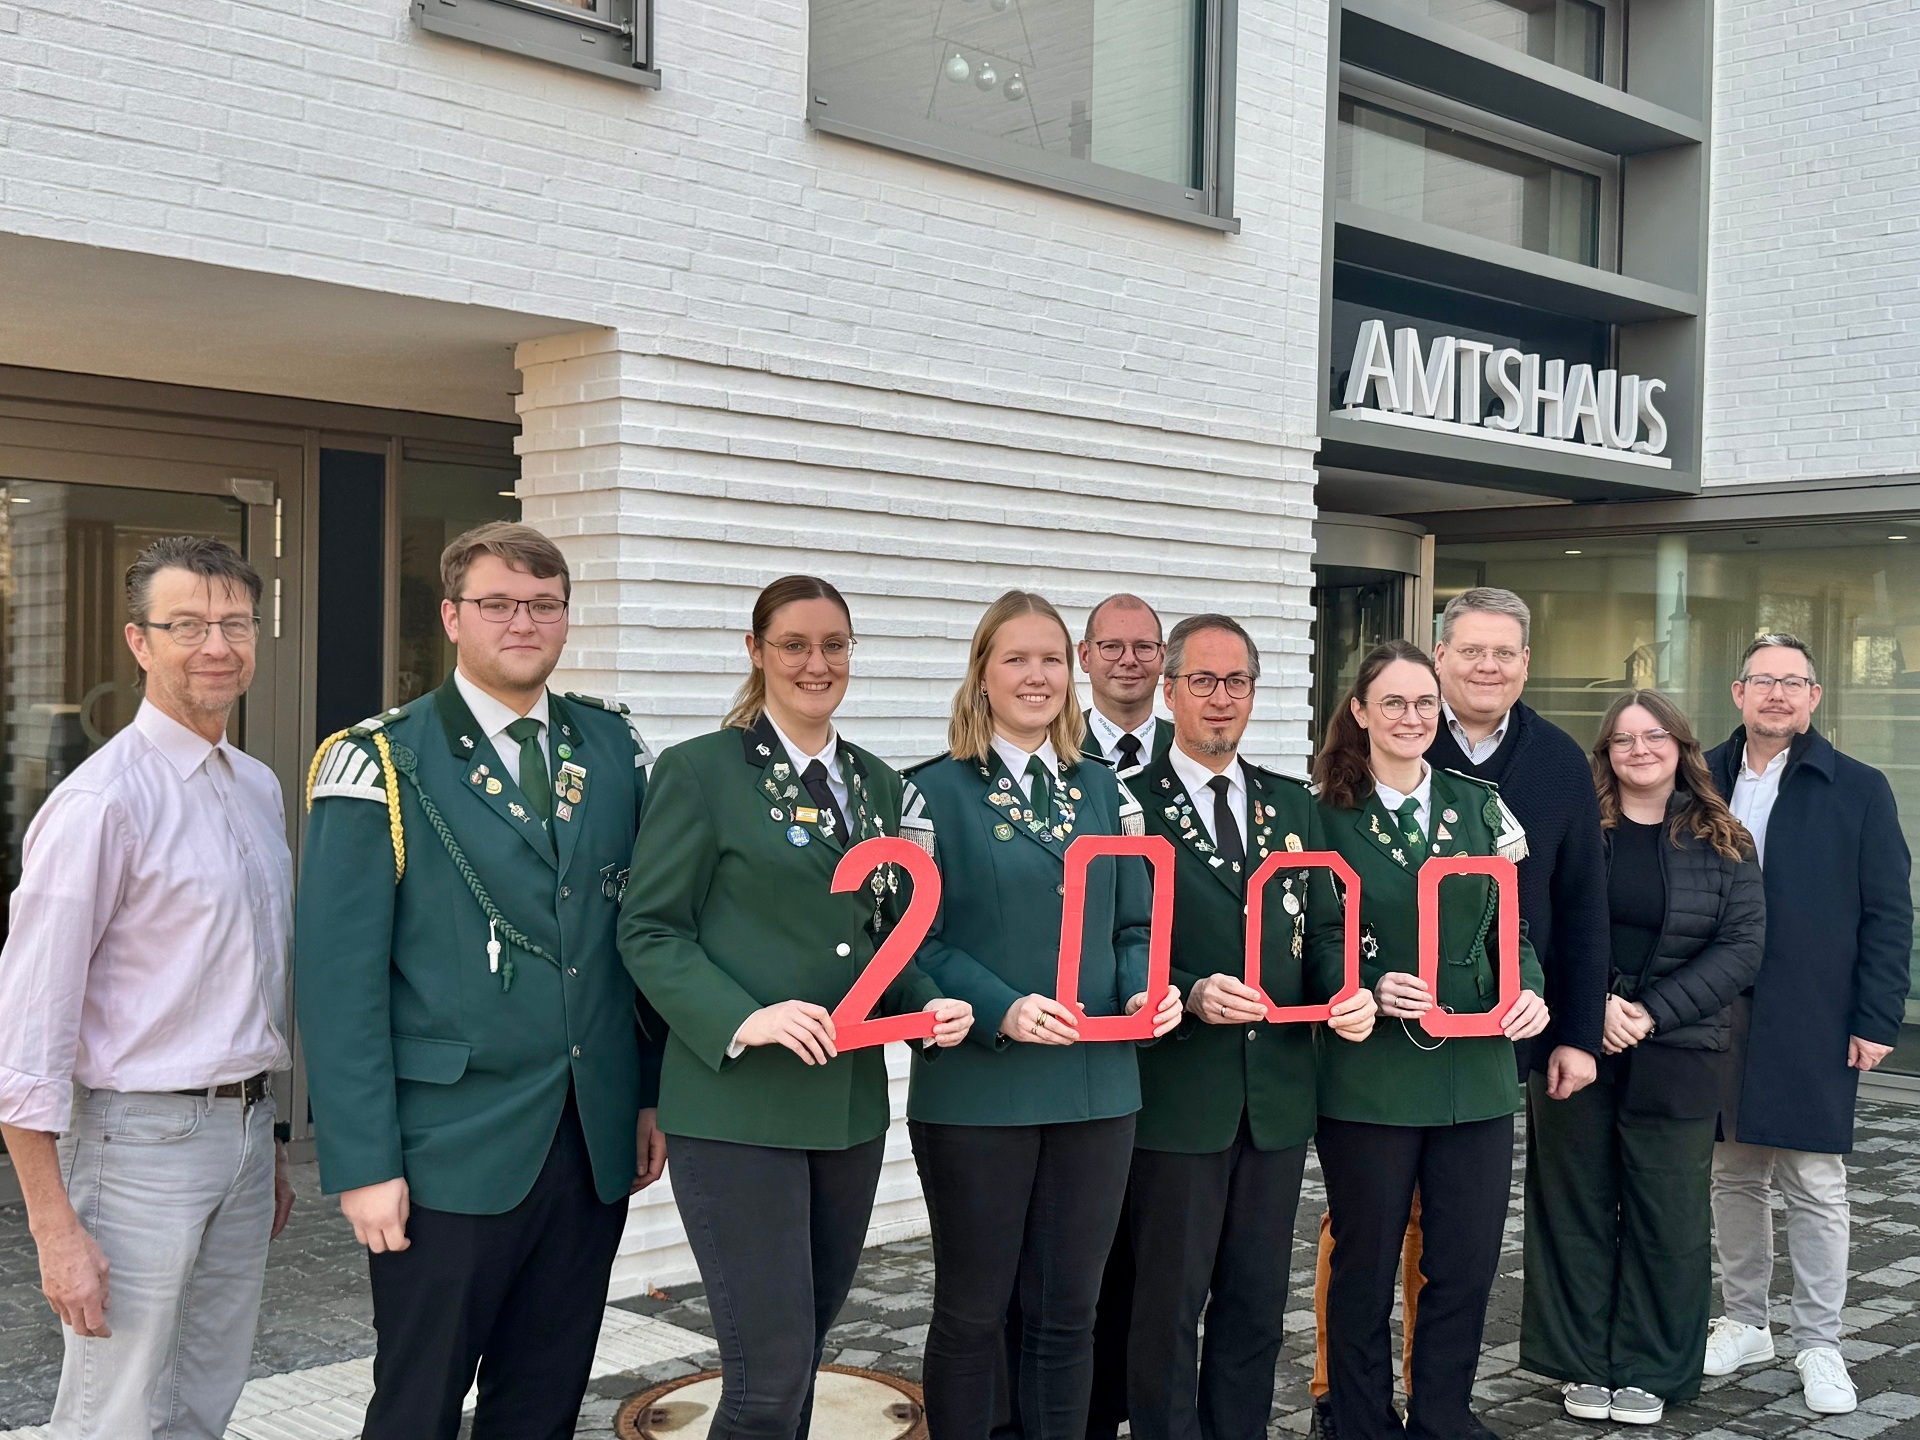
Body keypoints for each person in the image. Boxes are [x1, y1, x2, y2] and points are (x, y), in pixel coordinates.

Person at [295, 522, 667, 1440]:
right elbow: (337, 986)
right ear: (453, 618)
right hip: (445, 1154)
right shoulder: (380, 760)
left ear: (567, 619)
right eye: (498, 604)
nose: (523, 622)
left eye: (543, 605)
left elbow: (639, 940)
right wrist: (363, 1162)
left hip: (588, 1144)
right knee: (417, 1406)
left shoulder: (614, 750)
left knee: (542, 1401)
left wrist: (647, 1096)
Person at [619, 575, 974, 1439]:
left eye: (834, 646)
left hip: (847, 1110)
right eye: (795, 645)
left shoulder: (880, 786)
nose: (816, 664)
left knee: (800, 1356)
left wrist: (934, 1003)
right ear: (756, 652)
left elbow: (886, 939)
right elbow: (650, 930)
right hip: (739, 1108)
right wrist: (745, 1017)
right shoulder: (701, 771)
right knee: (766, 1374)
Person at [0, 536, 296, 1440]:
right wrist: (54, 1230)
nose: (217, 646)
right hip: (137, 1144)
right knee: (116, 1410)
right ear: (139, 643)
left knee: (205, 1394)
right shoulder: (102, 805)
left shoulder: (256, 787)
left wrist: (267, 1143)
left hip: (242, 1131)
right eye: (188, 626)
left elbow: (239, 993)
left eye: (235, 624)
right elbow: (27, 1032)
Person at [1308, 588, 1606, 1434]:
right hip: (1371, 1073)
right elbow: (1311, 932)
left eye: (1422, 705)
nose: (1411, 715)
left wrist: (1529, 992)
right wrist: (1357, 985)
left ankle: (1443, 1413)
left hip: (1474, 1072)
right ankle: (1359, 1417)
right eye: (1394, 701)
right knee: (1363, 1260)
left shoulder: (1481, 806)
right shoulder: (1321, 811)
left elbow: (1510, 926)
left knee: (1466, 1263)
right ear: (1360, 710)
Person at [904, 589, 1183, 1440]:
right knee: (974, 1312)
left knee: (1071, 1315)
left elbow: (1135, 923)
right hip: (981, 1091)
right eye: (1016, 659)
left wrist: (1144, 986)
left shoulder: (1105, 792)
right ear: (982, 673)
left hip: (1098, 1086)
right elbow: (914, 942)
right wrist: (1001, 1007)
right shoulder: (930, 793)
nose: (1037, 676)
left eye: (1052, 660)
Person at [1124, 614, 1376, 1440]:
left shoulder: (1291, 803)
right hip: (1179, 1089)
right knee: (1166, 1305)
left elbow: (1330, 925)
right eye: (1202, 681)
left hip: (1274, 1095)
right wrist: (1186, 991)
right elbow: (1113, 937)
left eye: (1237, 682)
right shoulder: (1130, 806)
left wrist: (1346, 989)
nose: (1220, 699)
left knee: (1256, 1301)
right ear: (1167, 691)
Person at [1521, 690, 1764, 1426]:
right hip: (1573, 1042)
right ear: (1605, 753)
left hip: (1678, 1049)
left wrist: (1650, 1012)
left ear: (1681, 746)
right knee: (1573, 1206)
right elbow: (1541, 920)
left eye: (1653, 736)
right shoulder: (1575, 828)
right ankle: (1582, 1363)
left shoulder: (1724, 838)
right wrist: (1586, 1006)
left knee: (1669, 1216)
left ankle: (1653, 1367)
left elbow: (1743, 947)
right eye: (1622, 739)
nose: (1638, 750)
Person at [1702, 633, 1912, 1416]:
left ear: (1815, 698)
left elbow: (1889, 913)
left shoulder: (1857, 787)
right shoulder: (1703, 780)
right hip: (1718, 1005)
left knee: (1816, 1182)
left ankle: (1819, 1341)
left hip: (1814, 1009)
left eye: (1795, 683)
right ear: (1739, 692)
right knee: (1733, 1171)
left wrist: (1876, 1014)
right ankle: (1745, 1320)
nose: (1779, 695)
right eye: (1765, 682)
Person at [1077, 593, 1174, 777]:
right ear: (1085, 656)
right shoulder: (1053, 747)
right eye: (1111, 646)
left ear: (1162, 657)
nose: (1129, 660)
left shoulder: (1189, 749)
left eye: (1144, 646)